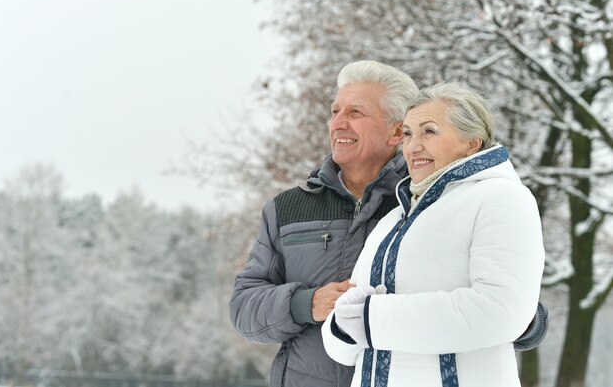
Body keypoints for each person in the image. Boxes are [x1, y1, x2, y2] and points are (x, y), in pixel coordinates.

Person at [230, 62, 547, 387]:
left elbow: (507, 304)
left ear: (394, 131)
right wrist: (308, 304)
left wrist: (518, 318)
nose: (338, 123)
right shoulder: (289, 208)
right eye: (335, 111)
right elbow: (243, 307)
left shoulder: (428, 201)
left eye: (355, 113)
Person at [322, 82, 546, 387]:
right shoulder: (393, 220)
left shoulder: (502, 198)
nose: (413, 146)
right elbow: (344, 344)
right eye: (409, 134)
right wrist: (341, 327)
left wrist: (372, 319)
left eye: (429, 131)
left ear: (472, 143)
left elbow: (500, 312)